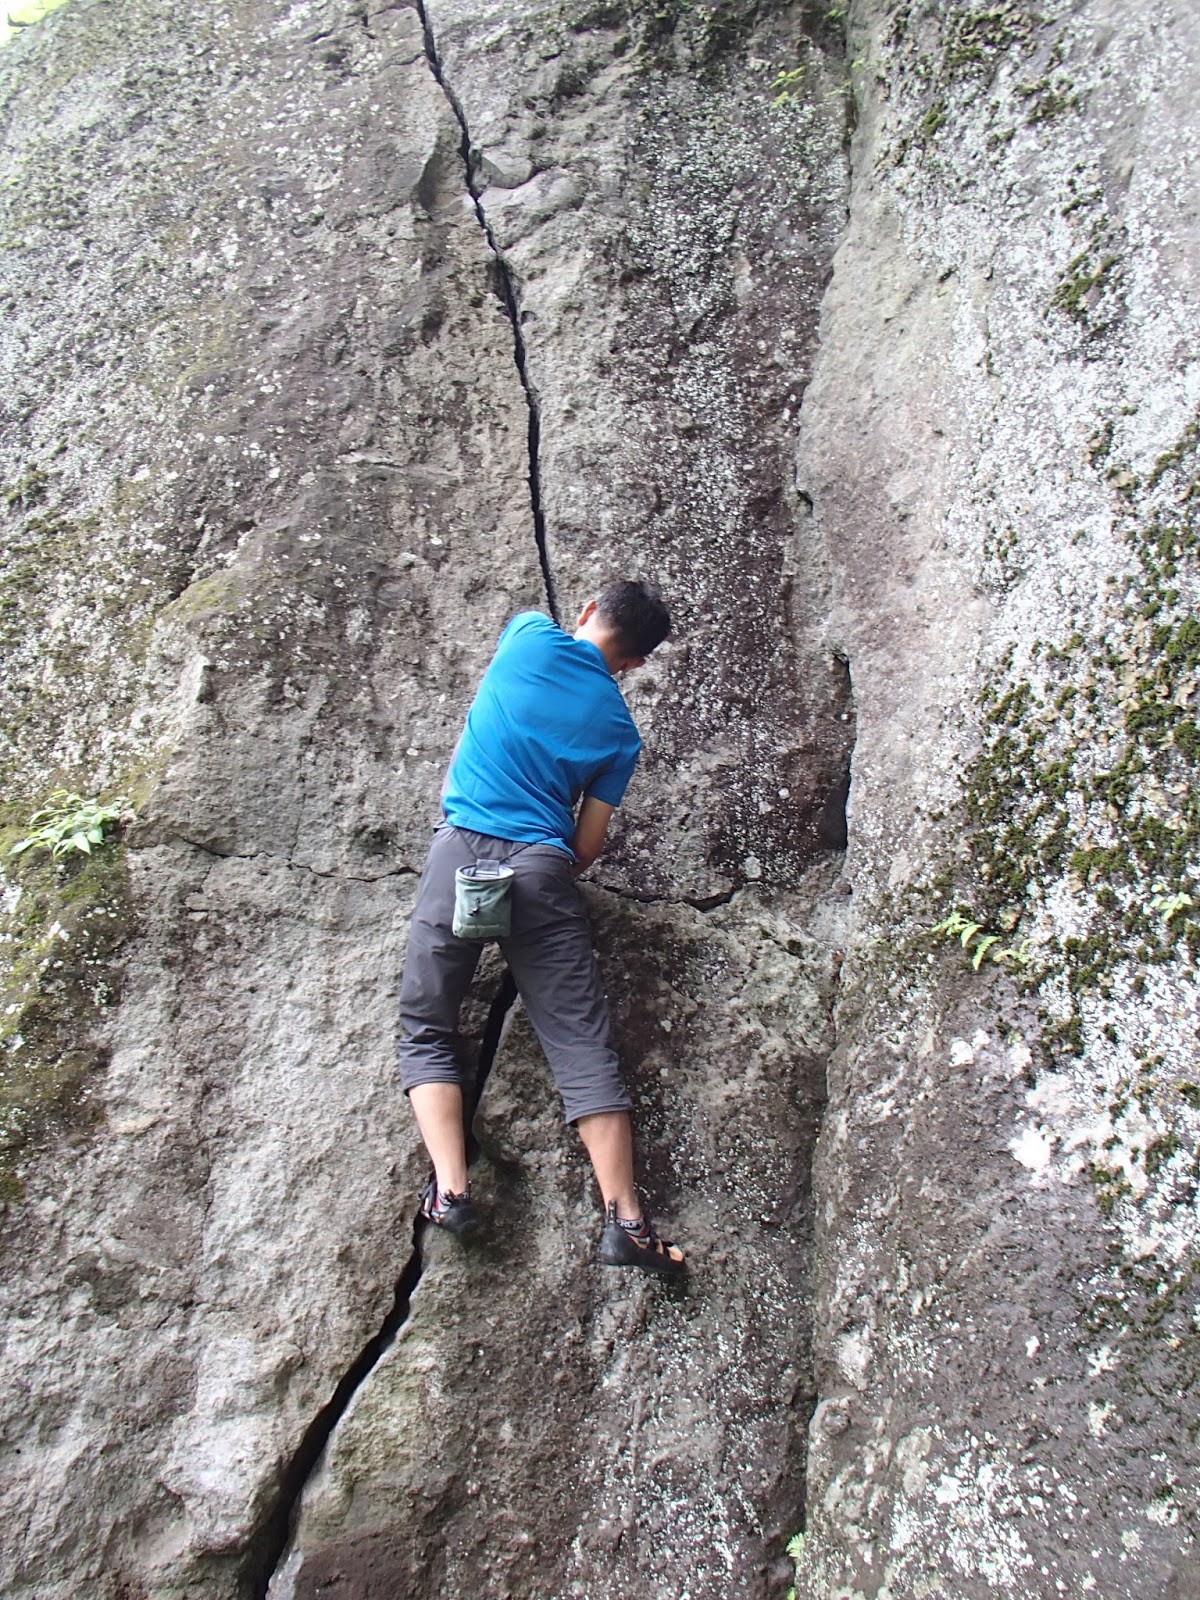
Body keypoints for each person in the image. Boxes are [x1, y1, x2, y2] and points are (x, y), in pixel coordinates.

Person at [397, 579, 685, 1276]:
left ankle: (453, 1193)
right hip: (541, 867)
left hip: (460, 851)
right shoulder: (621, 733)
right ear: (638, 665)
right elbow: (587, 847)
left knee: (429, 1025)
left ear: (587, 611)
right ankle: (627, 1221)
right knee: (581, 1045)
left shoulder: (527, 634)